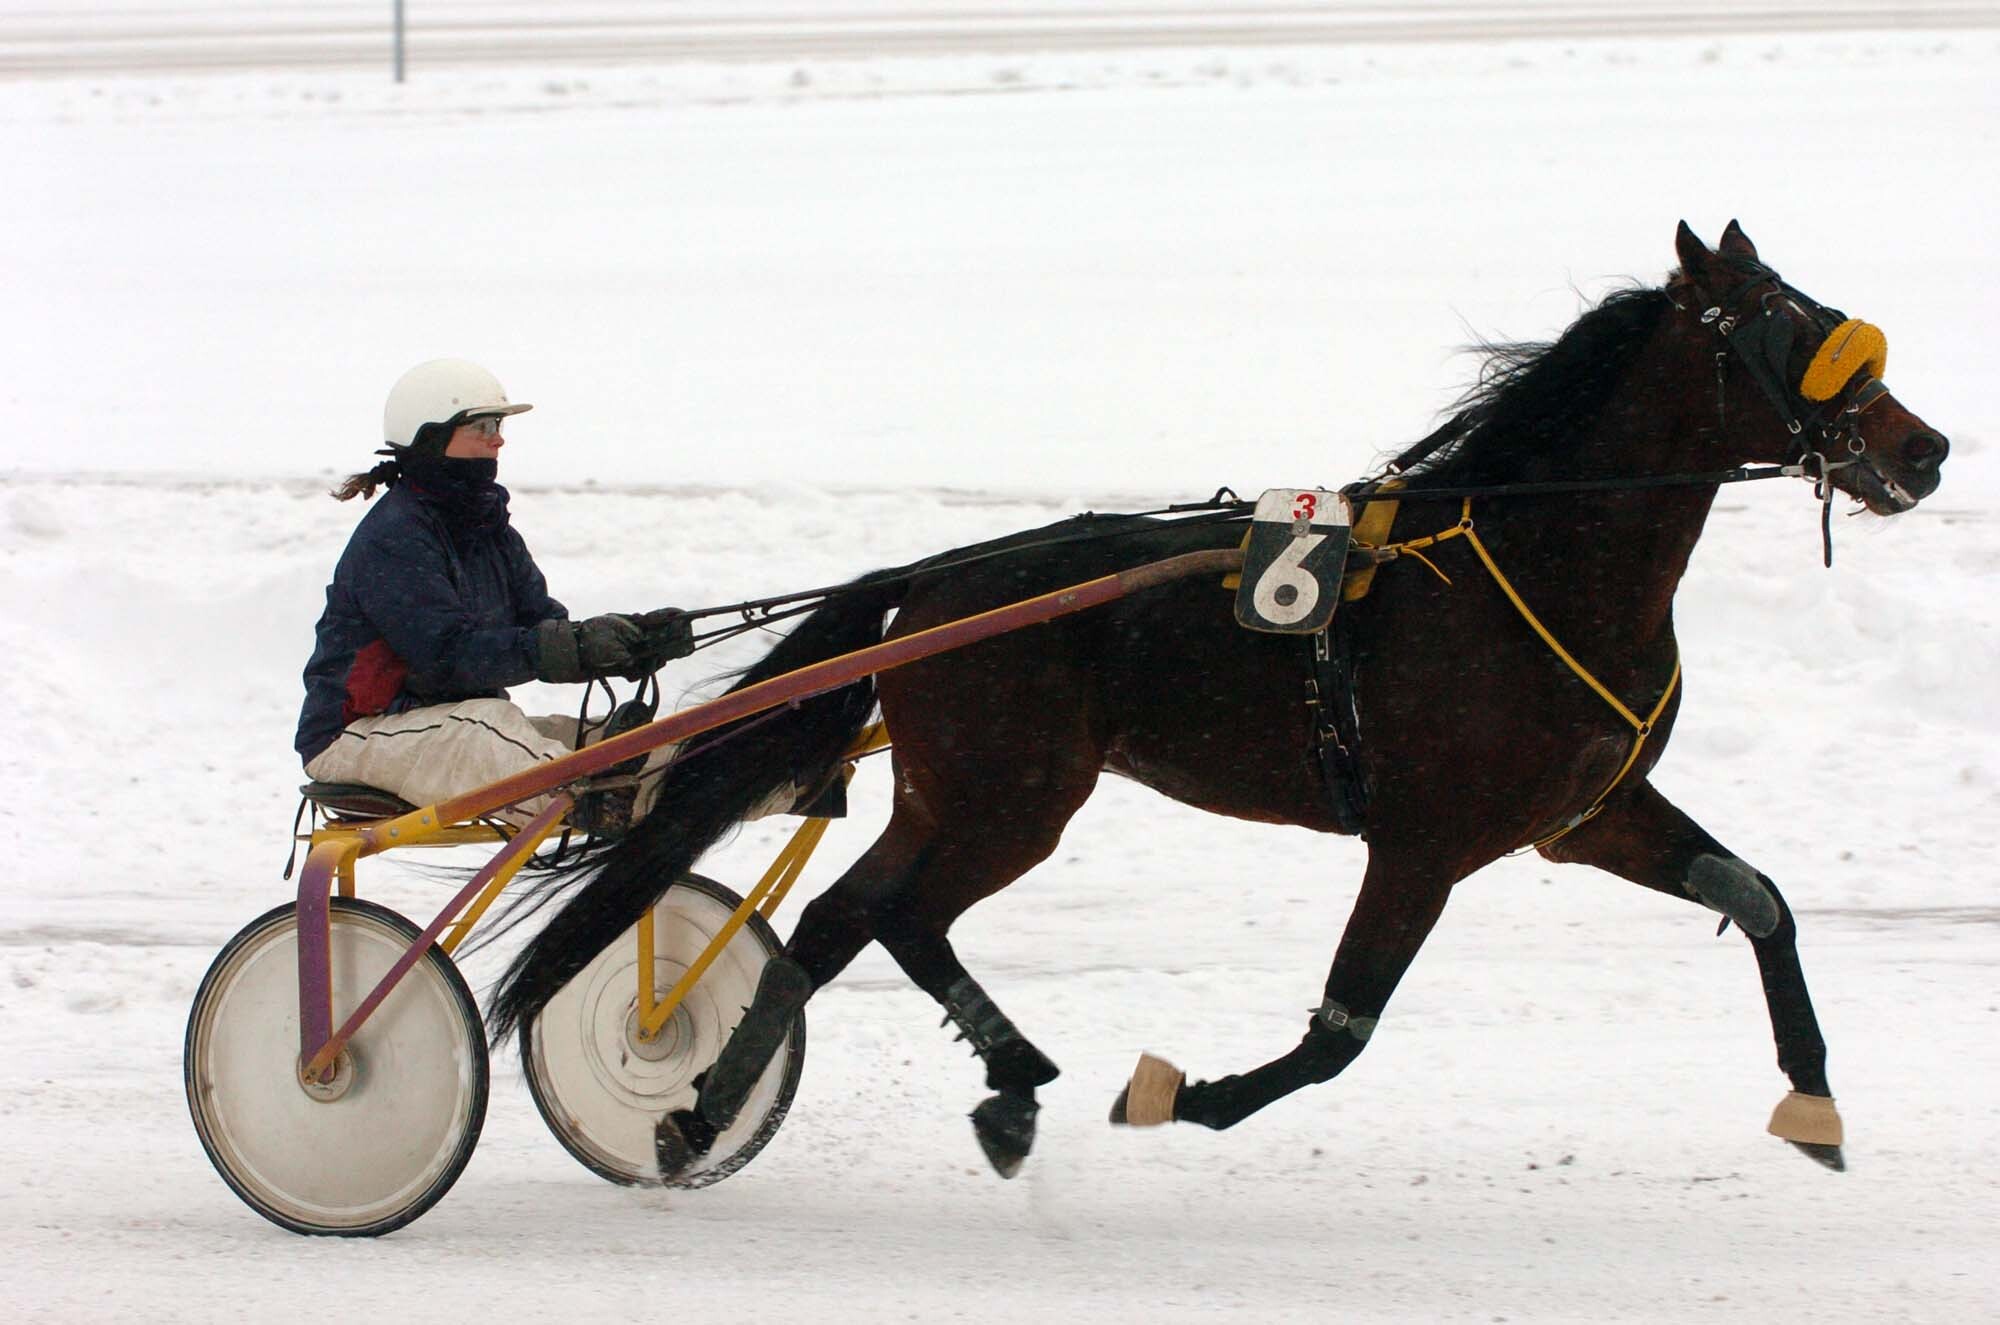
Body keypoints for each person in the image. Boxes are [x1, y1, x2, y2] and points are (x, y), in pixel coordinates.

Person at [295, 358, 691, 833]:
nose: (498, 439)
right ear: (432, 436)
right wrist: (567, 647)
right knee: (490, 727)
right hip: (360, 738)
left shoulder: (488, 527)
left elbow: (543, 628)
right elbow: (448, 655)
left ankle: (755, 786)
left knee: (631, 746)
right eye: (482, 426)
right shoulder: (395, 536)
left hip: (451, 728)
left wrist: (624, 642)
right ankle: (592, 796)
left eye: (498, 425)